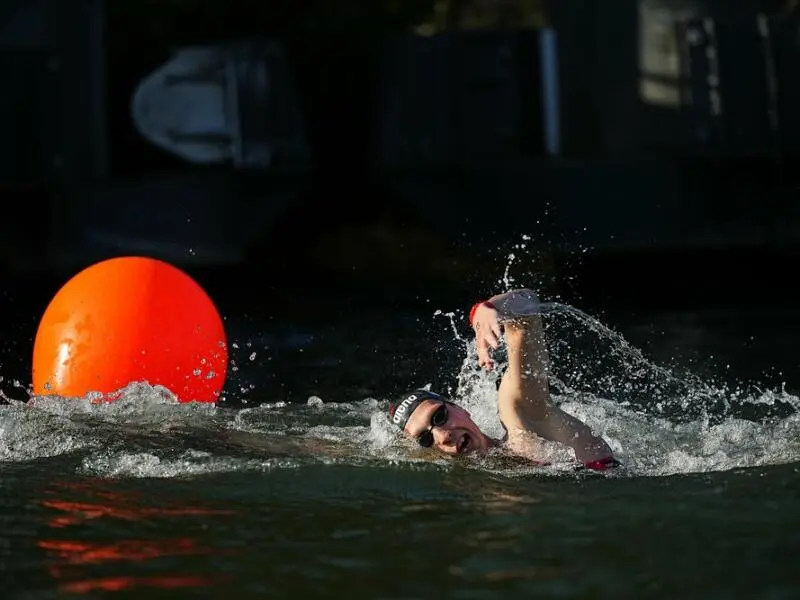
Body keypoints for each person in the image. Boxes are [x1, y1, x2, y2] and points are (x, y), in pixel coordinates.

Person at [388, 288, 620, 471]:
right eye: (426, 439)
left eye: (439, 416)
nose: (443, 435)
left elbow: (527, 305)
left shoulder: (522, 420)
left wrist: (486, 308)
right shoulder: (479, 490)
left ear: (459, 408)